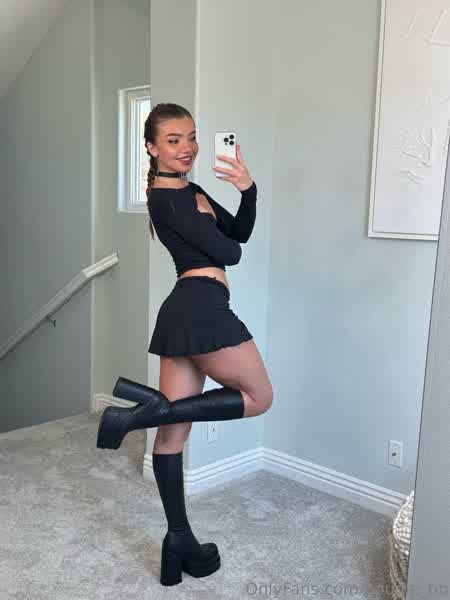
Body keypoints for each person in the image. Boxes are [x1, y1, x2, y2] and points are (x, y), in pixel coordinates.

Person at [96, 103, 273, 586]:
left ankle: (178, 540)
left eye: (191, 137)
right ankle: (136, 416)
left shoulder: (189, 191)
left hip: (185, 310)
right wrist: (210, 218)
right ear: (152, 148)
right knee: (260, 397)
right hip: (201, 307)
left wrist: (248, 190)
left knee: (171, 437)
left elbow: (239, 232)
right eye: (173, 140)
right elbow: (230, 252)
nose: (187, 147)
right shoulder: (166, 198)